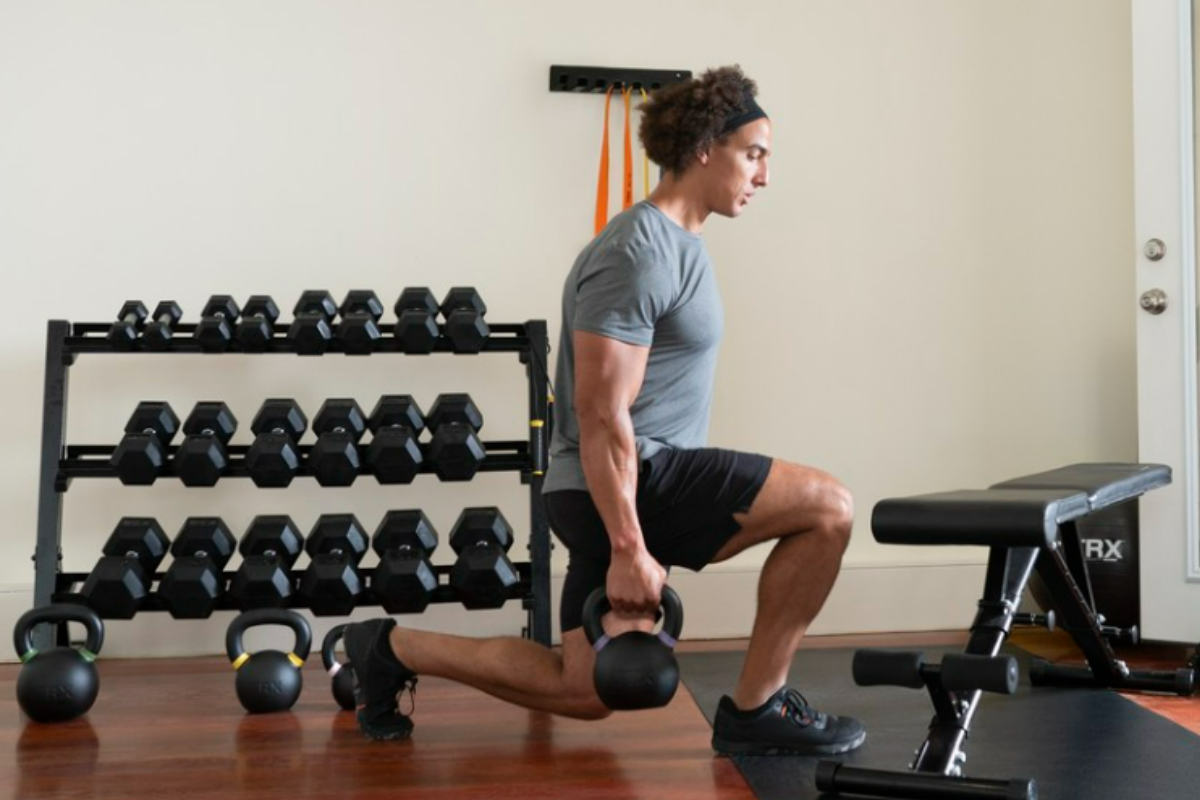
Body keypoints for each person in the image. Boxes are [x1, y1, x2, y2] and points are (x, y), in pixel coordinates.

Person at [344, 64, 866, 757]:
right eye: (755, 153)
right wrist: (627, 546)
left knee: (583, 691)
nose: (764, 175)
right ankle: (757, 708)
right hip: (633, 478)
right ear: (707, 146)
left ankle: (386, 646)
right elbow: (600, 413)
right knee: (828, 506)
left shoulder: (682, 245)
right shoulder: (639, 251)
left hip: (614, 482)